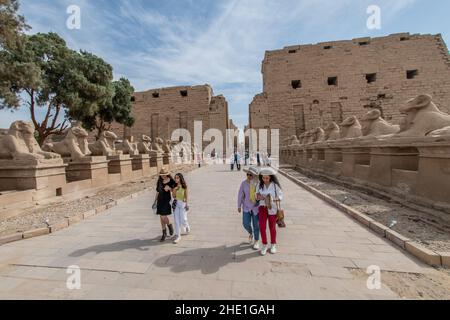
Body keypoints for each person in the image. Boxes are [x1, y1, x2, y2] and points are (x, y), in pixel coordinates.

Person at [256, 168, 283, 255]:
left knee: (272, 227)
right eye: (263, 178)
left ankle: (273, 244)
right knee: (262, 227)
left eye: (267, 178)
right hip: (262, 207)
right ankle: (264, 244)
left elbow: (280, 195)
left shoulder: (275, 185)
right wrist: (259, 197)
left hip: (272, 208)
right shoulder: (259, 185)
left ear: (271, 177)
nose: (265, 180)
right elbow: (256, 195)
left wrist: (274, 199)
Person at [237, 167, 261, 250]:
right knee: (245, 223)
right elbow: (240, 194)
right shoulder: (243, 183)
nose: (249, 176)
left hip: (255, 207)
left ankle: (256, 241)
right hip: (246, 206)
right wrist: (239, 205)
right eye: (248, 174)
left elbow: (263, 195)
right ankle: (251, 233)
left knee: (256, 225)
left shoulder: (258, 184)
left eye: (251, 175)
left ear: (254, 175)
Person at [154, 167, 176, 242]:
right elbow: (157, 191)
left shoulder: (171, 181)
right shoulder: (159, 181)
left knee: (163, 216)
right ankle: (164, 233)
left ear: (167, 174)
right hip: (160, 200)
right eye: (161, 174)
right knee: (161, 217)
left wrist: (169, 188)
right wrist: (155, 201)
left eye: (164, 174)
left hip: (167, 200)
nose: (162, 176)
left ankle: (170, 225)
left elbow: (176, 190)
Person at [172, 173, 190, 244]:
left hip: (183, 204)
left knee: (183, 219)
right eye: (175, 178)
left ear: (180, 178)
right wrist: (175, 189)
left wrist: (187, 204)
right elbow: (173, 196)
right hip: (176, 204)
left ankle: (186, 226)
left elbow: (186, 196)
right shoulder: (174, 186)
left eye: (177, 178)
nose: (176, 179)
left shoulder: (184, 186)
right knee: (177, 220)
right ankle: (178, 236)